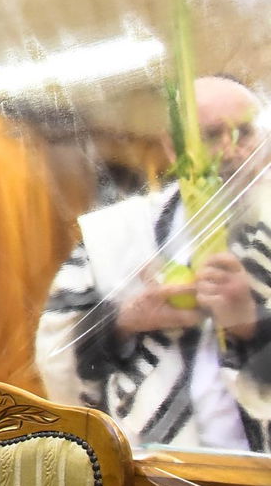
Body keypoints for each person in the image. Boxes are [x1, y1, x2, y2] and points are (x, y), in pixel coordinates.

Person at [37, 76, 271, 450]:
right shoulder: (119, 233)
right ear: (173, 148)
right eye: (211, 136)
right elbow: (58, 354)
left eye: (244, 132)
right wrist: (126, 321)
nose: (232, 150)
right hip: (146, 472)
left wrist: (250, 324)